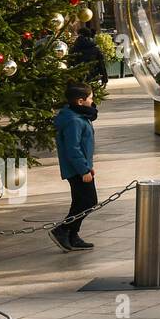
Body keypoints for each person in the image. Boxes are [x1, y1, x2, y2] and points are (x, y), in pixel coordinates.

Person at [50, 82, 98, 252]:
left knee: (80, 201)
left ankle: (73, 235)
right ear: (80, 101)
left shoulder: (78, 116)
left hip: (81, 167)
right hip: (76, 169)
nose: (92, 101)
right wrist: (83, 170)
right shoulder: (73, 120)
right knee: (89, 201)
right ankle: (62, 230)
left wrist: (88, 166)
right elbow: (73, 148)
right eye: (90, 98)